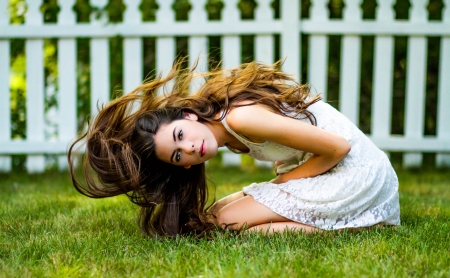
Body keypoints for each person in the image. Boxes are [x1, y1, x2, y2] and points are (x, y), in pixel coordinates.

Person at [68, 60, 400, 237]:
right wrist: (278, 185)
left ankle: (350, 224)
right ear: (181, 166)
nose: (190, 148)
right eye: (178, 154)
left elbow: (337, 148)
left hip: (356, 172)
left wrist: (283, 185)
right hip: (338, 168)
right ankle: (347, 221)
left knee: (224, 223)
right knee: (213, 216)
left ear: (188, 115)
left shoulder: (239, 119)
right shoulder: (228, 131)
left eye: (181, 134)